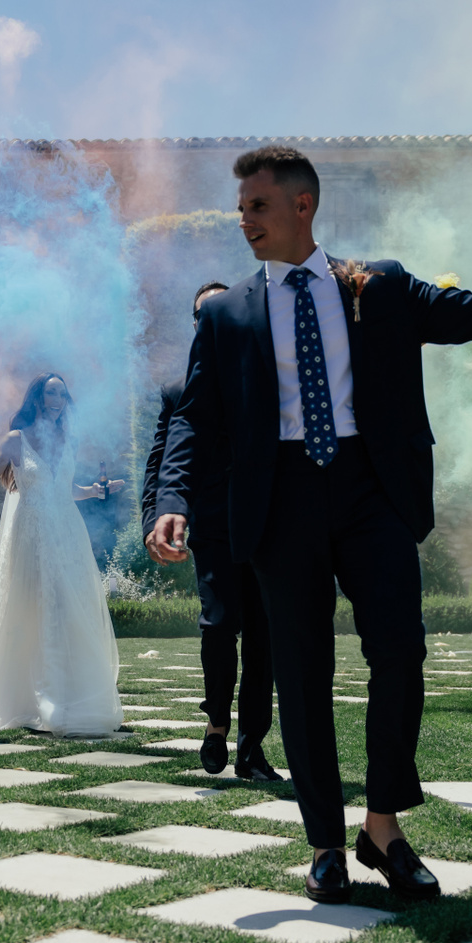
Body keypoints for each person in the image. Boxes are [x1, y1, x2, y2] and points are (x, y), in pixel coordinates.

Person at [152, 145, 472, 905]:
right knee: (302, 674)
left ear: (301, 205)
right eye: (241, 208)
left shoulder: (379, 285)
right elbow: (195, 417)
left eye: (257, 205)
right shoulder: (227, 315)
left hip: (372, 494)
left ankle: (382, 826)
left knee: (401, 653)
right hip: (279, 505)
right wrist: (173, 499)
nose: (244, 220)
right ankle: (325, 844)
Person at [142, 281, 281, 781]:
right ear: (198, 324)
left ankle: (252, 749)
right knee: (219, 624)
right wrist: (153, 519)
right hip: (213, 526)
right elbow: (161, 461)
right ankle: (217, 723)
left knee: (264, 636)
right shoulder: (177, 390)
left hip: (267, 524)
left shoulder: (268, 374)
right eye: (205, 313)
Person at [0, 374, 126, 736]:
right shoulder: (15, 440)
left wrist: (96, 490)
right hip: (31, 535)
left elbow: (65, 488)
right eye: (51, 392)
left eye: (62, 393)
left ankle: (68, 694)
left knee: (67, 608)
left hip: (67, 535)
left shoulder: (66, 438)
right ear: (37, 398)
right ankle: (32, 699)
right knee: (30, 608)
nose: (58, 398)